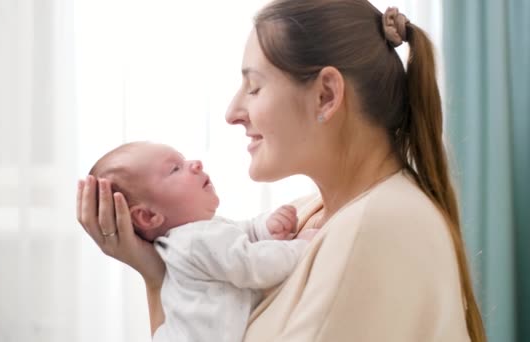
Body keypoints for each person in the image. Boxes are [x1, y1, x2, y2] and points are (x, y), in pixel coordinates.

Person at [77, 0, 487, 340]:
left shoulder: (377, 228)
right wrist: (155, 272)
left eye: (254, 87)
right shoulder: (314, 213)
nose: (232, 113)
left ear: (326, 95)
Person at [86, 141, 318, 341]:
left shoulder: (196, 237)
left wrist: (265, 227)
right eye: (175, 169)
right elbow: (253, 264)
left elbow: (239, 233)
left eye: (184, 160)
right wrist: (301, 247)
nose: (195, 163)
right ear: (148, 216)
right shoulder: (193, 243)